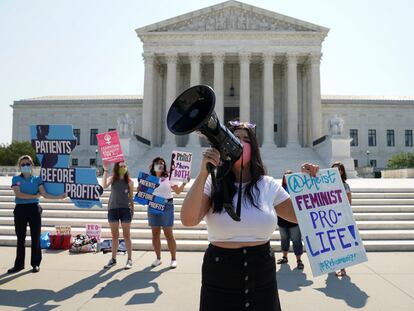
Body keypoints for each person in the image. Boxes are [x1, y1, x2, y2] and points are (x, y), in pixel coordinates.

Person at [181, 120, 319, 311]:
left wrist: (309, 184)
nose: (239, 143)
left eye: (246, 139)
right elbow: (188, 220)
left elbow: (301, 216)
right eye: (234, 138)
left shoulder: (268, 184)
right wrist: (204, 172)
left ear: (253, 148)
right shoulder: (213, 184)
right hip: (220, 275)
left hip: (262, 274)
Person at [8, 155, 66, 274]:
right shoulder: (16, 179)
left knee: (36, 238)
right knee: (20, 238)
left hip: (34, 209)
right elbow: (19, 194)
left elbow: (45, 194)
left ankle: (35, 264)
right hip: (20, 210)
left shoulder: (37, 179)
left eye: (28, 164)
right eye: (23, 164)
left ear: (32, 165)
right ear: (19, 166)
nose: (25, 166)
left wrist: (59, 197)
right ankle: (19, 265)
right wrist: (35, 196)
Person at [148, 157, 187, 269]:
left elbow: (178, 191)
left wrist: (183, 184)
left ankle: (173, 259)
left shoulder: (169, 177)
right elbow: (144, 194)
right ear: (154, 165)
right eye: (157, 163)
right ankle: (158, 258)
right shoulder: (149, 178)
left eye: (162, 163)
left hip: (167, 206)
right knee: (155, 234)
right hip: (153, 205)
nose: (160, 165)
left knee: (168, 234)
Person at [102, 161, 134, 270]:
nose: (123, 168)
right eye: (121, 166)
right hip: (113, 209)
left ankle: (129, 259)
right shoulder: (112, 179)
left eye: (125, 166)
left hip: (125, 210)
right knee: (114, 236)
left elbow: (131, 198)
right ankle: (113, 259)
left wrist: (132, 210)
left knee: (126, 235)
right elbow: (104, 185)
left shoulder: (129, 182)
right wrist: (105, 170)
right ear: (117, 167)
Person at [276, 170, 305, 270]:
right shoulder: (280, 189)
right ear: (283, 178)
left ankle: (299, 260)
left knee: (296, 240)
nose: (287, 178)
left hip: (294, 220)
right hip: (282, 220)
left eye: (289, 176)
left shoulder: (297, 189)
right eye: (285, 176)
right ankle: (285, 257)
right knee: (284, 239)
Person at [331, 161, 352, 277]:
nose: (336, 171)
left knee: (340, 244)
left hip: (341, 218)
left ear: (342, 171)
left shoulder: (345, 186)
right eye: (333, 169)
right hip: (328, 219)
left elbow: (349, 202)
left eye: (338, 169)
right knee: (331, 243)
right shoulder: (326, 185)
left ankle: (343, 269)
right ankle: (332, 264)